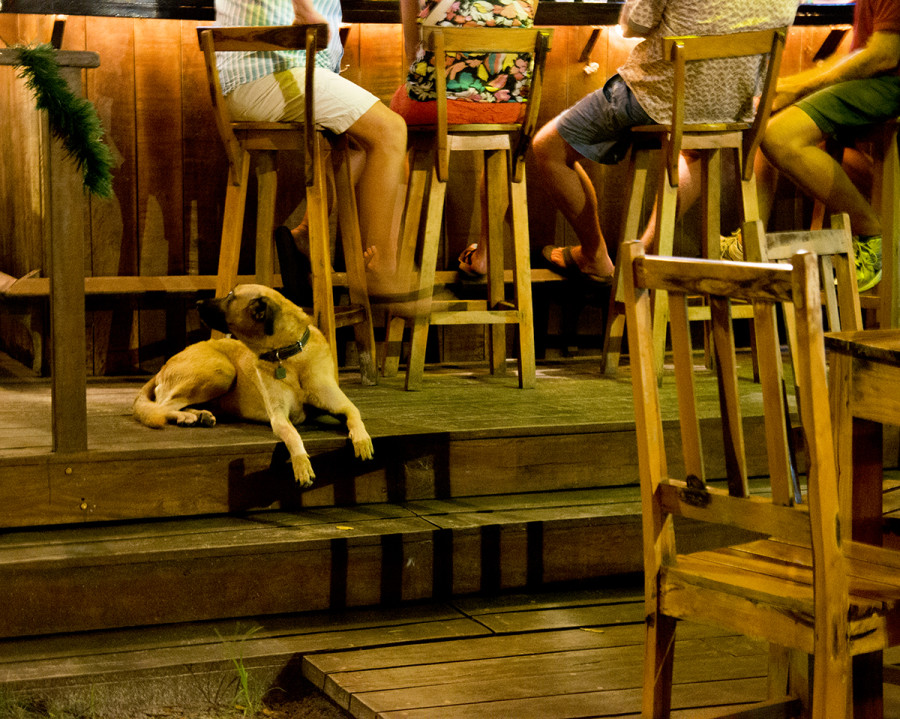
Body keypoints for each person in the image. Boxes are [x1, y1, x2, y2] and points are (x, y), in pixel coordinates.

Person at [531, 0, 799, 284]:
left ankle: (594, 255)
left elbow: (633, 25)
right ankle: (644, 257)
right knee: (694, 148)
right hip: (732, 106)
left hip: (659, 92)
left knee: (548, 147)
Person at [215, 0, 408, 300]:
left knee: (362, 143)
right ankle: (382, 268)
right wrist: (303, 7)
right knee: (390, 131)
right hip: (266, 73)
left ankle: (306, 232)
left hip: (277, 69)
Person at [755, 0, 900, 292]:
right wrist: (793, 85)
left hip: (890, 83)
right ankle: (750, 239)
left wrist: (800, 87)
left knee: (779, 137)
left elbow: (884, 56)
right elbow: (854, 54)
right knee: (773, 122)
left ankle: (872, 233)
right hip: (875, 80)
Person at [391, 0, 539, 277]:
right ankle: (484, 252)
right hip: (508, 106)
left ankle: (391, 254)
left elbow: (414, 49)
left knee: (391, 129)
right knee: (499, 148)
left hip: (436, 106)